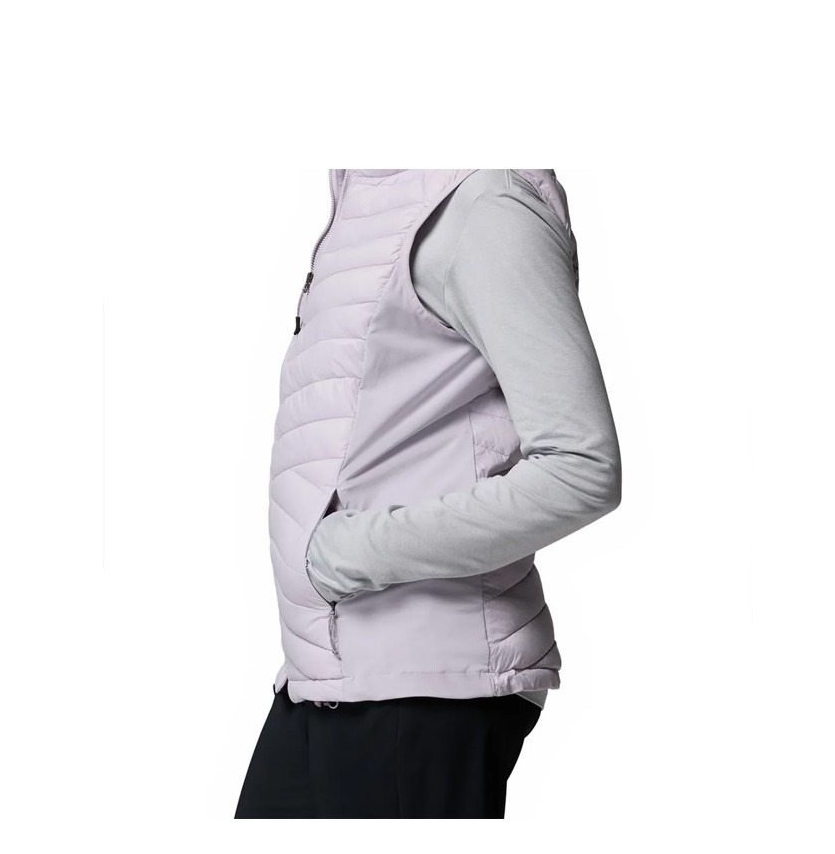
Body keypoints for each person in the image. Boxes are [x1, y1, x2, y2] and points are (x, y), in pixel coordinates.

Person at [235, 169, 621, 818]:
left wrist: (345, 555)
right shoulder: (368, 196)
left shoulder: (483, 205)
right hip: (331, 674)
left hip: (426, 687)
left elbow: (582, 467)